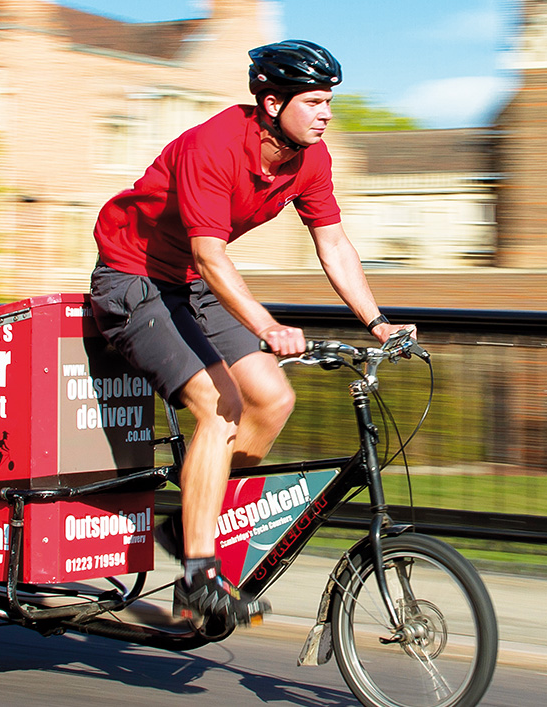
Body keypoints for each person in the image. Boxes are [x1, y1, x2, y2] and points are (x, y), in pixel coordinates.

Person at [88, 40, 415, 627]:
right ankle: (198, 579)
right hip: (133, 280)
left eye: (329, 101)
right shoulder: (212, 147)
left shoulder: (311, 159)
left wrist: (378, 321)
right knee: (220, 407)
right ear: (271, 102)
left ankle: (188, 526)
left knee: (272, 399)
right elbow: (210, 255)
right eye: (314, 101)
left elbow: (332, 242)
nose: (326, 113)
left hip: (190, 284)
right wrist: (265, 325)